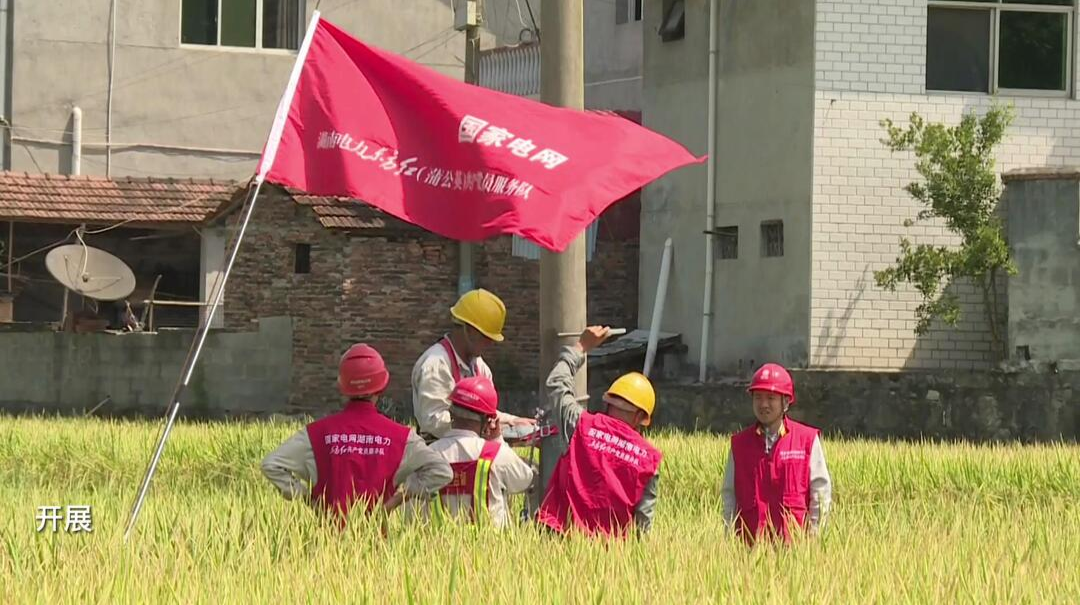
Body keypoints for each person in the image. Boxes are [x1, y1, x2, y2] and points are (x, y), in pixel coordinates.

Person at [261, 343, 452, 526]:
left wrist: (310, 500)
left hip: (325, 547)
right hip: (378, 546)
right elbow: (442, 472)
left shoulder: (315, 434)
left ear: (343, 387)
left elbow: (271, 464)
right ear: (382, 386)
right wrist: (395, 501)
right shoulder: (403, 438)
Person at [535, 326, 662, 538]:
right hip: (610, 560)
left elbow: (557, 384)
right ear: (641, 417)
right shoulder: (649, 460)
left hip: (558, 547)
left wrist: (581, 346)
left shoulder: (580, 425)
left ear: (608, 401)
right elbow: (643, 527)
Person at [720, 363, 832, 545]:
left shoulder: (807, 440)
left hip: (795, 550)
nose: (763, 404)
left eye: (771, 398)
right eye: (758, 398)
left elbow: (821, 493)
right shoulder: (739, 445)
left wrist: (815, 538)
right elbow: (729, 496)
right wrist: (729, 539)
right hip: (749, 550)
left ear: (786, 402)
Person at [411, 288, 534, 442]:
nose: (490, 343)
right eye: (486, 336)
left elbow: (486, 412)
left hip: (473, 450)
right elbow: (433, 421)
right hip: (438, 454)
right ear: (468, 330)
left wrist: (514, 422)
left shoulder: (479, 366)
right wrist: (491, 429)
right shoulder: (436, 364)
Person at [413, 376, 534, 528]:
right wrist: (497, 440)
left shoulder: (426, 457)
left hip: (436, 547)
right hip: (493, 548)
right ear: (489, 420)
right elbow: (525, 479)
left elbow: (412, 511)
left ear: (450, 414)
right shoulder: (496, 454)